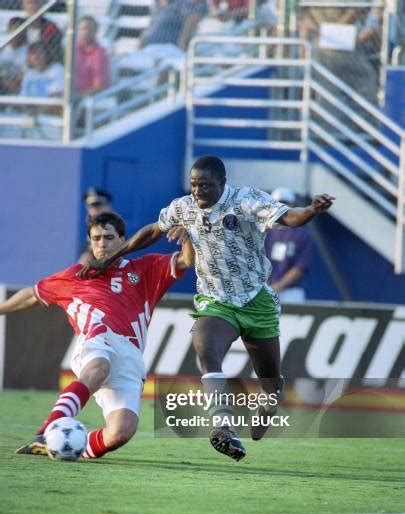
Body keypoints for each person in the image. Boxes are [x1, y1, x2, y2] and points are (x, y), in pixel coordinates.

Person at [80, 156, 335, 462]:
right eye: (193, 184)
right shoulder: (184, 207)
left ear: (222, 183)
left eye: (205, 185)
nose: (198, 191)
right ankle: (223, 425)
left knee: (269, 380)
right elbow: (152, 231)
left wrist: (310, 211)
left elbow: (288, 218)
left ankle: (268, 402)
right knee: (205, 345)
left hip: (256, 299)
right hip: (215, 300)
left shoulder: (246, 200)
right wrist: (111, 257)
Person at [0, 212, 193, 459]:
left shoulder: (146, 268)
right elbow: (30, 295)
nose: (102, 243)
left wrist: (186, 237)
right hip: (97, 339)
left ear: (124, 240)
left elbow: (188, 261)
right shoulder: (76, 275)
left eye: (109, 237)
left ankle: (62, 448)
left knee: (120, 432)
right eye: (96, 238)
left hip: (130, 356)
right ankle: (49, 429)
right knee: (98, 368)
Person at [265, 187, 313, 304]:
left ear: (292, 205)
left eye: (284, 203)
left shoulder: (302, 235)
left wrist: (276, 287)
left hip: (292, 293)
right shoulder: (264, 231)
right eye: (276, 203)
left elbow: (300, 267)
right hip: (265, 290)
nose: (280, 207)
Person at [75, 16, 111, 98]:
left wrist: (79, 96)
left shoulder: (100, 54)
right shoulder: (72, 50)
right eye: (82, 29)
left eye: (89, 29)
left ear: (96, 31)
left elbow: (99, 87)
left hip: (89, 97)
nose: (85, 32)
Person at [79, 188, 114, 265]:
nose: (95, 210)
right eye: (92, 206)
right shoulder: (91, 225)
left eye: (98, 206)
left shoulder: (113, 227)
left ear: (108, 206)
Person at [22, 0, 63, 65]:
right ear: (23, 6)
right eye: (29, 3)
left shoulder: (51, 28)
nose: (33, 6)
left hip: (44, 67)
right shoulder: (19, 25)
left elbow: (55, 54)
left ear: (42, 4)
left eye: (36, 2)